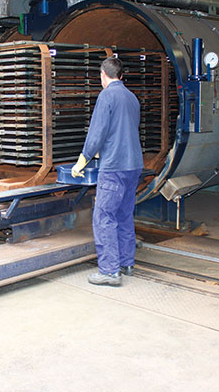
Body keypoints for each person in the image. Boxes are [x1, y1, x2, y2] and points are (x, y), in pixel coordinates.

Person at [71, 56, 143, 286]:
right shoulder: (132, 98)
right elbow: (125, 130)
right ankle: (126, 262)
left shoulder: (106, 96)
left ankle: (110, 271)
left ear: (103, 74)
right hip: (133, 165)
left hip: (114, 168)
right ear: (121, 75)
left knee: (104, 217)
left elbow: (97, 132)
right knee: (123, 215)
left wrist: (82, 161)